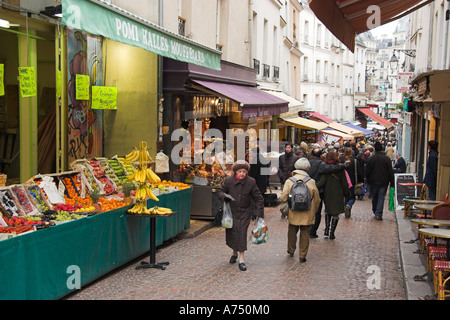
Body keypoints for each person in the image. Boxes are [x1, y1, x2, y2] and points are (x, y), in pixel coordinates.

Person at [218, 160, 264, 271]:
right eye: (240, 171)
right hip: (231, 212)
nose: (242, 174)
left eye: (244, 171)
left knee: (241, 233)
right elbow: (219, 190)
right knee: (233, 233)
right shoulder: (229, 181)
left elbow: (258, 198)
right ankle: (234, 252)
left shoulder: (251, 182)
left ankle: (241, 259)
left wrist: (258, 213)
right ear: (235, 172)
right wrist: (224, 196)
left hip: (245, 212)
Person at [280, 158, 320, 262]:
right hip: (307, 212)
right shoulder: (311, 182)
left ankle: (291, 250)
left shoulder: (290, 181)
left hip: (293, 211)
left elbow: (283, 198)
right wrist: (314, 211)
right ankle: (302, 255)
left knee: (292, 231)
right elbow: (317, 199)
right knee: (305, 233)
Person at [307, 147, 345, 238]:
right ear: (320, 155)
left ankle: (308, 230)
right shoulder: (321, 164)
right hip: (317, 190)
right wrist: (342, 166)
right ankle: (313, 232)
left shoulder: (307, 162)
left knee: (308, 210)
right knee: (317, 211)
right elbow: (330, 169)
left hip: (307, 189)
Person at [316, 151, 350, 240]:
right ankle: (332, 233)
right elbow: (344, 182)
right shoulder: (340, 168)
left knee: (328, 210)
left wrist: (312, 185)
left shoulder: (325, 169)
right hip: (338, 193)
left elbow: (321, 182)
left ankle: (327, 229)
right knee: (335, 214)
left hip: (327, 193)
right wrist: (347, 193)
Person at [366, 141, 395, 220]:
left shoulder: (371, 159)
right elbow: (390, 171)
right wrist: (392, 182)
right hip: (384, 181)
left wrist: (367, 180)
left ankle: (375, 210)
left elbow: (367, 171)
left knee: (374, 197)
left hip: (373, 181)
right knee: (381, 197)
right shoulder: (386, 159)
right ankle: (378, 213)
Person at [343, 147, 364, 218]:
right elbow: (359, 172)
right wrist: (361, 180)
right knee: (352, 197)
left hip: (344, 181)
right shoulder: (355, 161)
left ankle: (346, 206)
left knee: (346, 196)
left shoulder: (343, 160)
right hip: (352, 181)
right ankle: (348, 206)